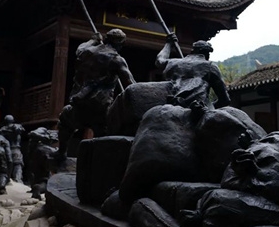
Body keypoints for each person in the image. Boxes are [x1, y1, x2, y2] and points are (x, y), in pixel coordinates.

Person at [56, 29, 136, 159]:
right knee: (104, 136)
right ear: (121, 45)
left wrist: (93, 40)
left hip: (80, 103)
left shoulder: (86, 51)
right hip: (100, 108)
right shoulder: (117, 60)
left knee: (65, 121)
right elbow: (131, 83)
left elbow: (80, 48)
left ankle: (61, 152)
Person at [155, 33, 231, 109]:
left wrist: (168, 44)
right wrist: (211, 106)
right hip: (197, 108)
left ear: (192, 51)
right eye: (208, 53)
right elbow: (225, 99)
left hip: (172, 104)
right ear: (206, 53)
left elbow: (159, 61)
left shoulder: (174, 62)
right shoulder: (210, 66)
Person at [0, 114, 26, 183]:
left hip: (6, 150)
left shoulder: (2, 130)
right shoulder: (18, 127)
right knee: (18, 165)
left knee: (7, 166)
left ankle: (7, 180)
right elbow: (22, 130)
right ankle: (18, 179)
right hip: (16, 149)